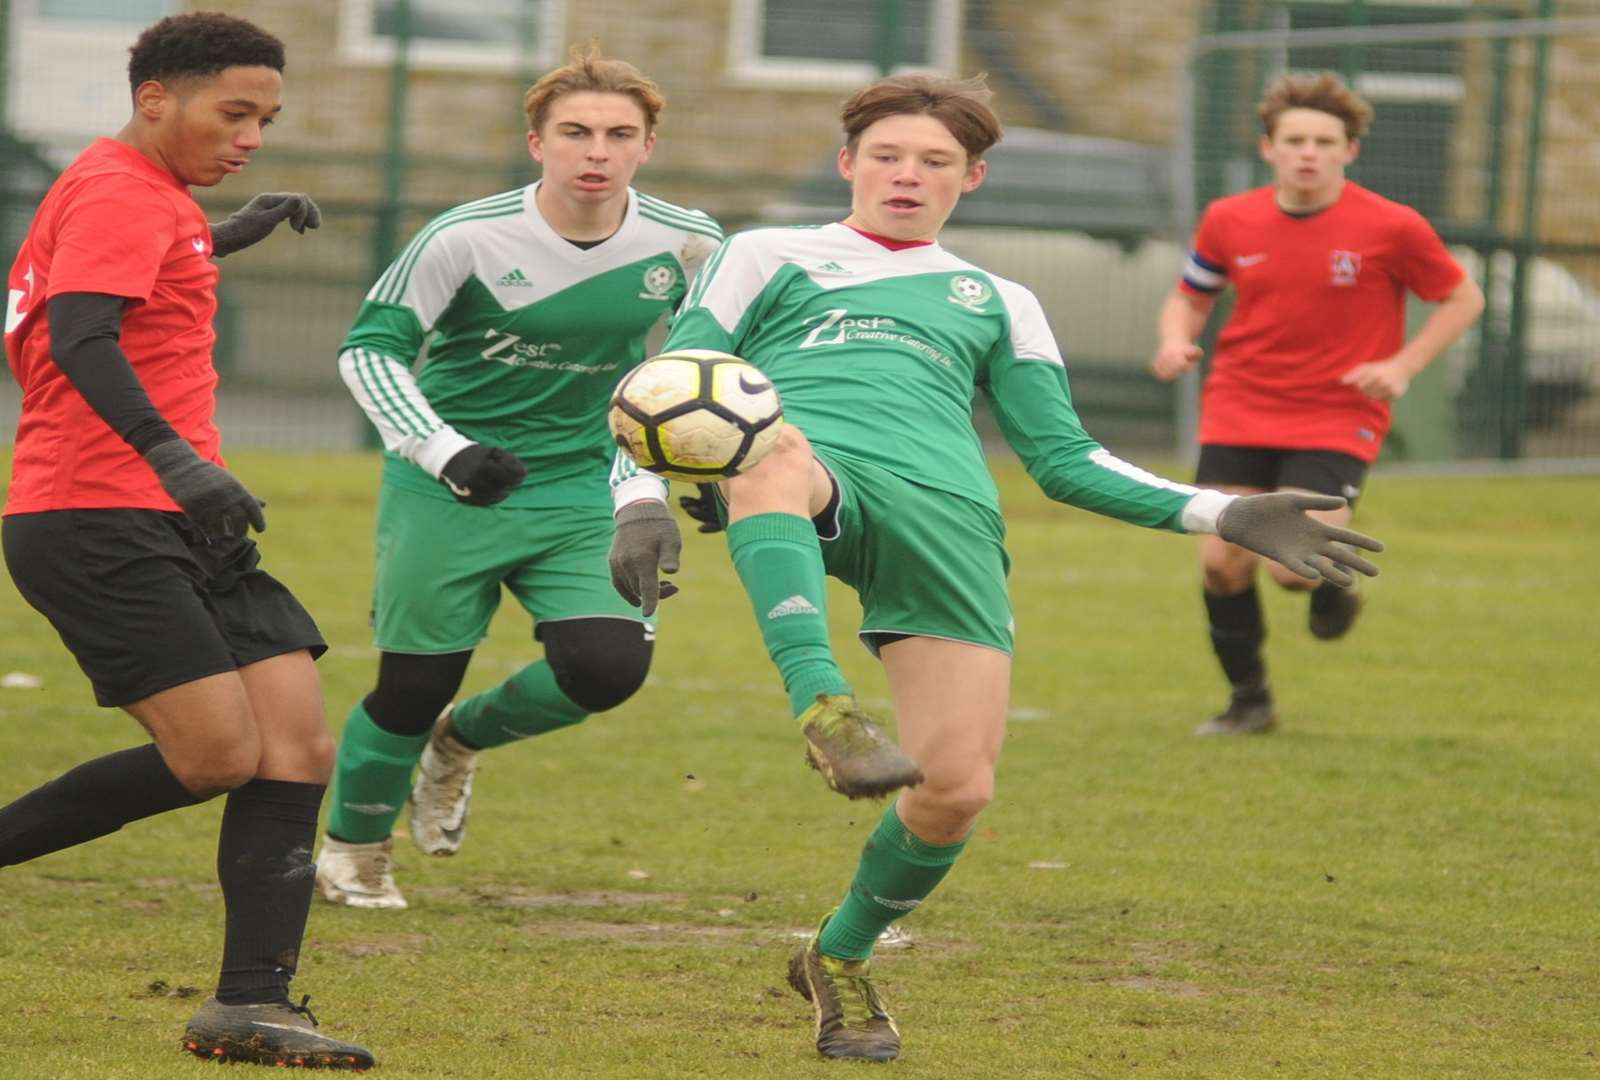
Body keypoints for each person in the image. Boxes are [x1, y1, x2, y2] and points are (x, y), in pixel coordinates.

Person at [605, 73, 1383, 1063]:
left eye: (933, 162)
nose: (905, 176)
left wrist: (1224, 509)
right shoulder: (765, 253)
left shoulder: (1000, 298)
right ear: (848, 163)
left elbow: (1065, 461)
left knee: (956, 789)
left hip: (947, 518)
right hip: (813, 472)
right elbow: (667, 389)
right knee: (769, 451)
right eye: (886, 155)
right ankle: (826, 710)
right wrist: (634, 502)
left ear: (970, 179)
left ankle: (839, 958)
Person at [0, 14, 373, 1070]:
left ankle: (249, 1006)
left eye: (267, 121)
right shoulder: (114, 189)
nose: (252, 136)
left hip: (179, 515)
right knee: (217, 755)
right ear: (156, 98)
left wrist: (224, 231)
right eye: (234, 113)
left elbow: (144, 274)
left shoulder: (151, 197)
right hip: (92, 512)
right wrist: (176, 457)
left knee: (296, 747)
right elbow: (80, 335)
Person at [319, 45, 720, 909]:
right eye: (574, 132)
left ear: (648, 146)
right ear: (535, 141)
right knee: (413, 682)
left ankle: (457, 743)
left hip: (582, 485)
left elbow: (688, 378)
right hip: (451, 483)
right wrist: (444, 450)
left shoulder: (690, 243)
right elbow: (370, 351)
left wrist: (676, 476)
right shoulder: (465, 235)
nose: (596, 152)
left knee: (609, 667)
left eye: (620, 134)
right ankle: (353, 851)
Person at [1149, 72, 1483, 736]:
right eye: (1295, 139)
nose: (1309, 152)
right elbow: (1192, 293)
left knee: (1294, 570)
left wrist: (1402, 365)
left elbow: (1462, 297)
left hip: (1338, 410)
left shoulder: (1391, 225)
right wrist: (1174, 338)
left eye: (1325, 141)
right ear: (1268, 146)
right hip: (1241, 402)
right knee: (1220, 559)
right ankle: (1249, 701)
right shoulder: (1229, 218)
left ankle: (1333, 585)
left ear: (1349, 151)